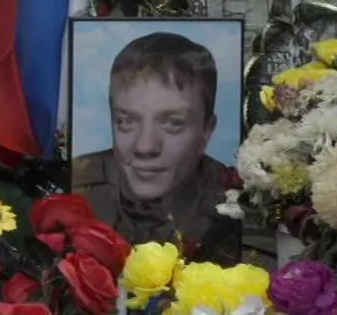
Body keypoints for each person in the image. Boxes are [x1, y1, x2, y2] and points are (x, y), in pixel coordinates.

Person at [72, 32, 240, 265]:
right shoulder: (75, 188)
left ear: (206, 130)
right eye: (126, 121)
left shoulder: (235, 205)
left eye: (173, 123)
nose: (145, 147)